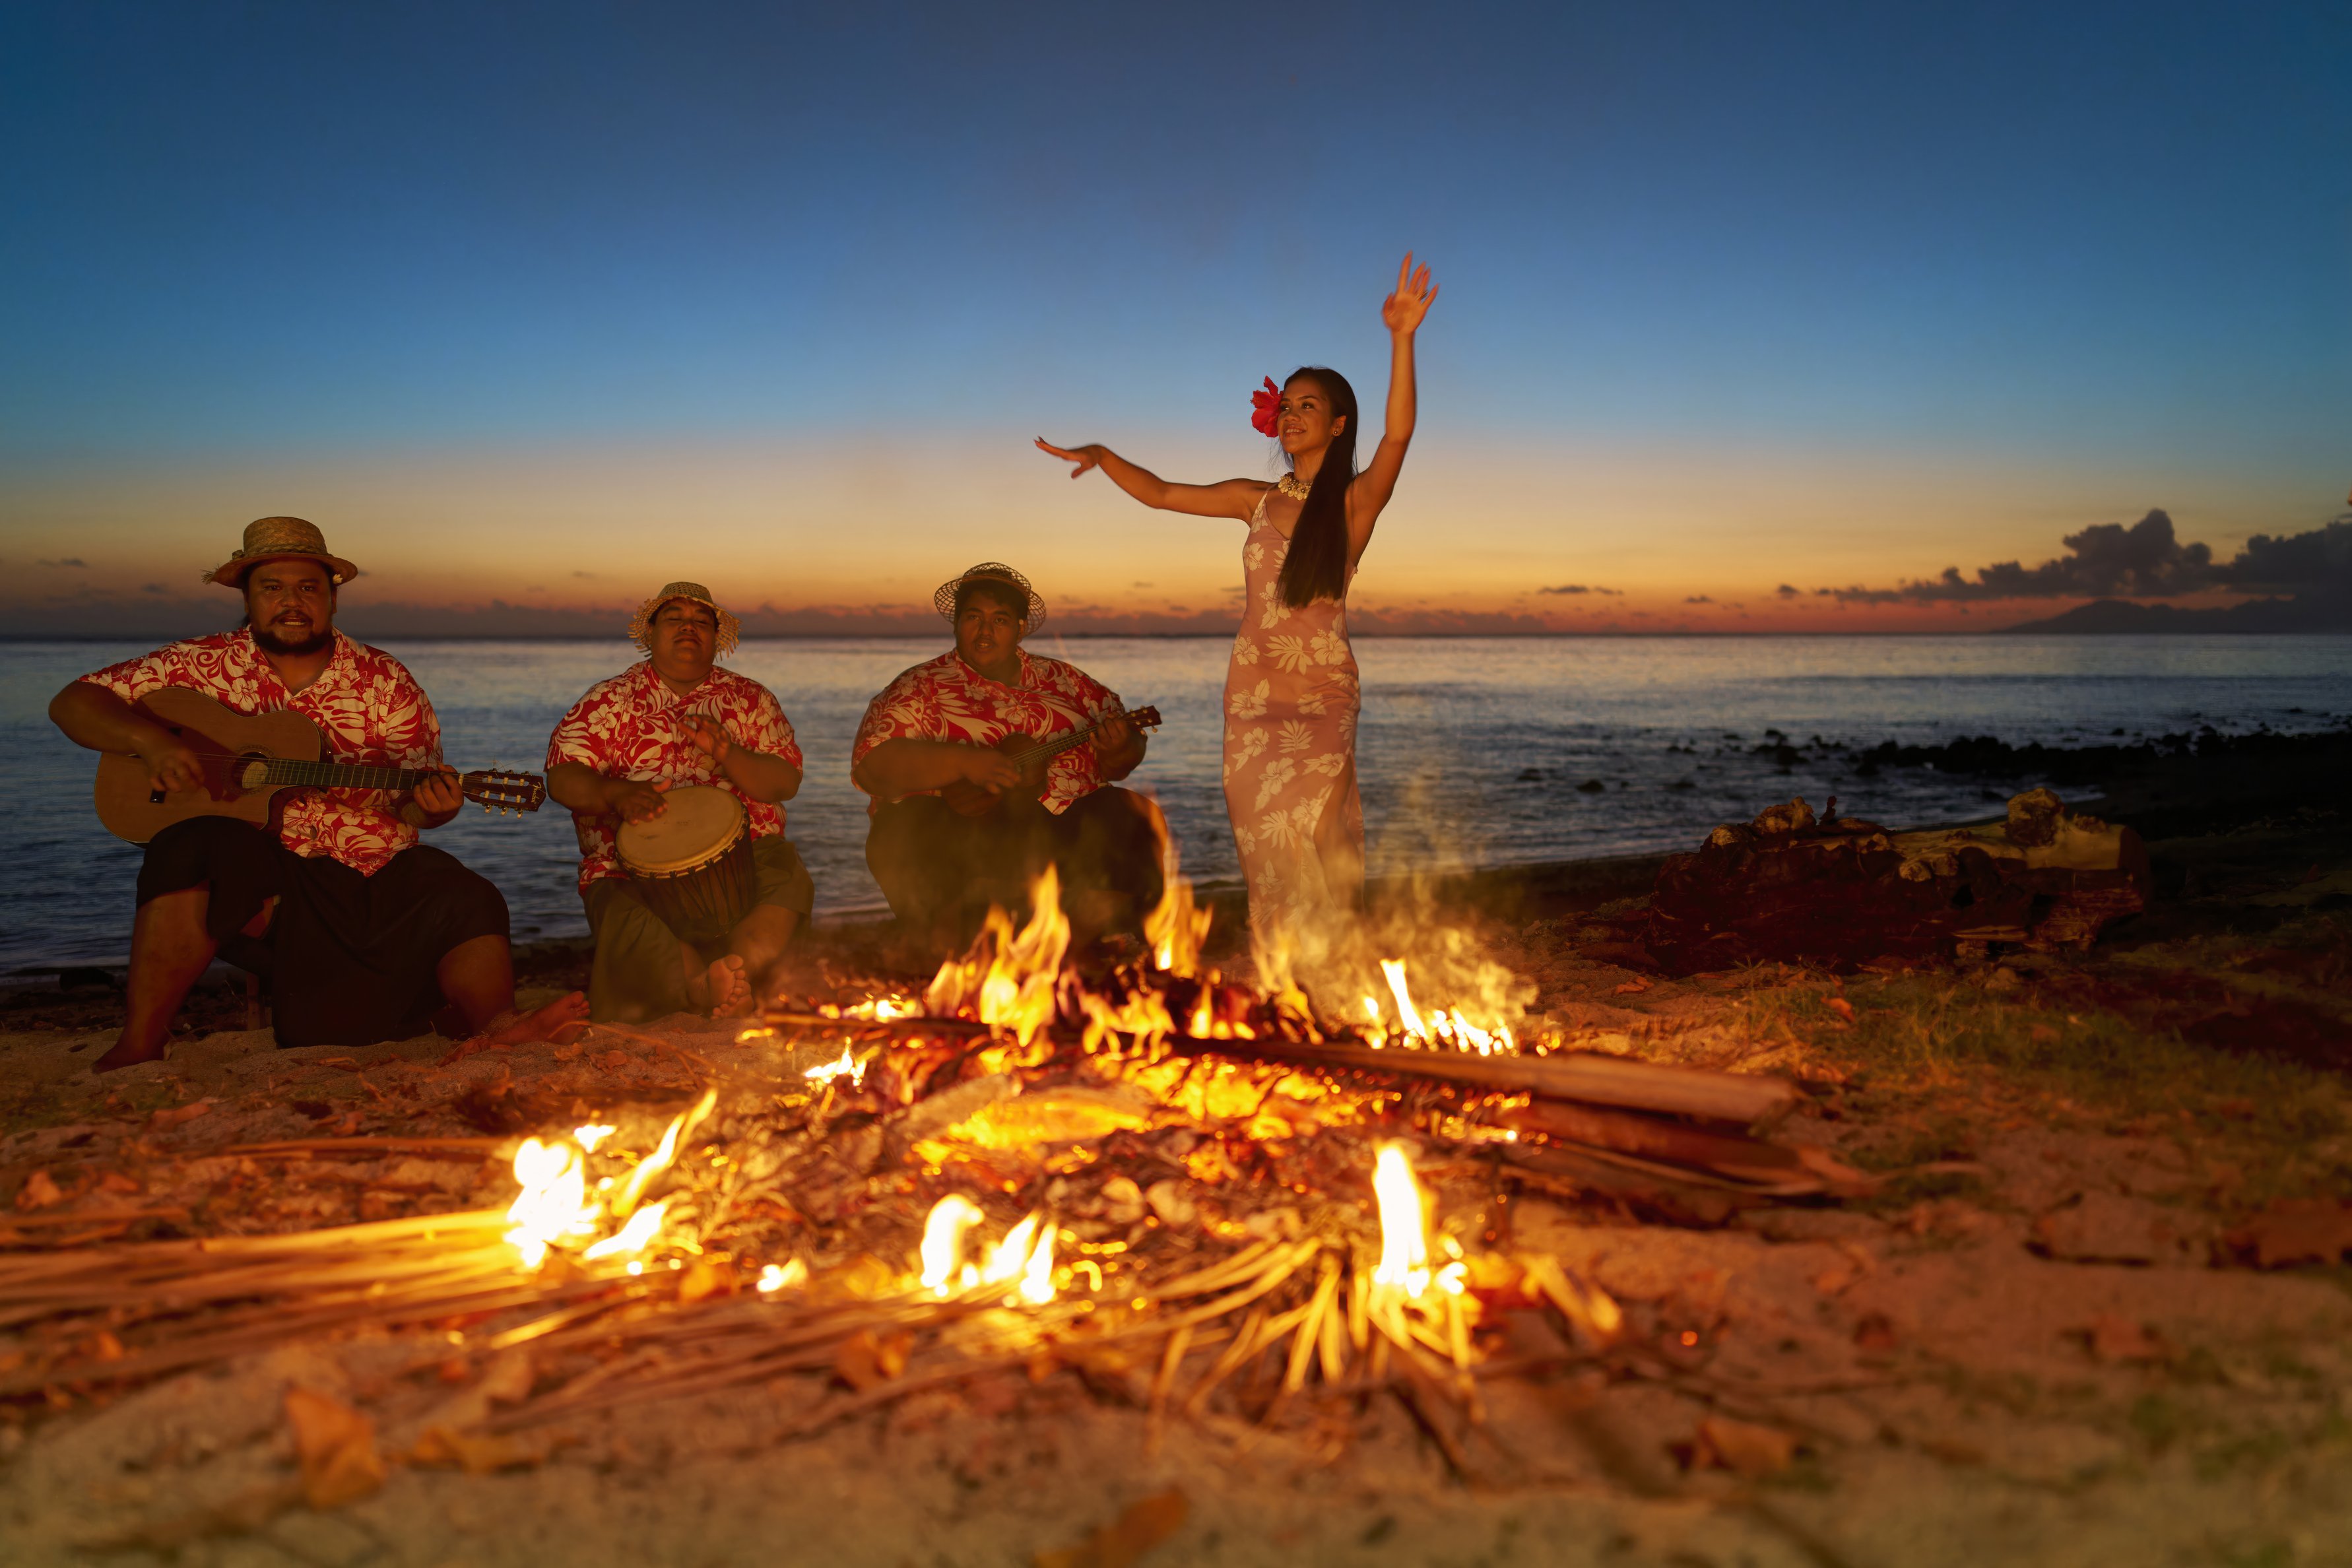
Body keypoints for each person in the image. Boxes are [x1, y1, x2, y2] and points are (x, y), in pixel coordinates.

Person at [46, 516, 589, 1072]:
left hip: (366, 863)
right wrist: (152, 741)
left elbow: (412, 800)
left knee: (466, 893)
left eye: (308, 588)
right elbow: (73, 702)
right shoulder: (194, 666)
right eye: (272, 588)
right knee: (187, 846)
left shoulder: (385, 681)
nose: (291, 602)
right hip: (259, 869)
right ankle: (141, 1040)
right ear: (247, 597)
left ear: (333, 599)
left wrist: (435, 808)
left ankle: (499, 1028)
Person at [1033, 253, 1437, 960]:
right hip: (1253, 693)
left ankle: (1350, 955)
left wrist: (1401, 338)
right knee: (1267, 837)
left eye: (1308, 404)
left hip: (1321, 689)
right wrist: (1104, 454)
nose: (1291, 414)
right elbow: (1162, 492)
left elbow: (1399, 436)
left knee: (1323, 827)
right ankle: (1292, 967)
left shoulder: (1354, 503)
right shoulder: (1255, 498)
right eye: (1286, 404)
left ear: (1339, 424)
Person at [852, 562, 1163, 952]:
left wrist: (1121, 748)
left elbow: (1123, 760)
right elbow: (873, 767)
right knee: (906, 827)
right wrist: (967, 763)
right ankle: (965, 950)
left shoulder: (1069, 683)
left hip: (1063, 828)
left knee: (1131, 812)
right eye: (973, 618)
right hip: (962, 827)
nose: (985, 631)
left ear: (1018, 626)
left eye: (999, 619)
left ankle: (1116, 940)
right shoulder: (919, 687)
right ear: (956, 624)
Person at [545, 583, 811, 1020]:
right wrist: (614, 793)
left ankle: (735, 977)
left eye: (702, 622)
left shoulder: (750, 700)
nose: (689, 628)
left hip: (746, 854)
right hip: (626, 865)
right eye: (675, 619)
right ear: (649, 634)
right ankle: (703, 989)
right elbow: (562, 776)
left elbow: (785, 781)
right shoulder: (607, 701)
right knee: (631, 917)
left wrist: (730, 754)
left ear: (715, 638)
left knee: (787, 880)